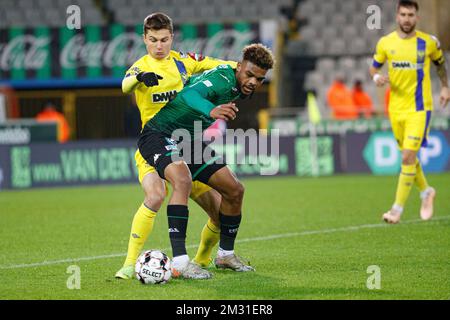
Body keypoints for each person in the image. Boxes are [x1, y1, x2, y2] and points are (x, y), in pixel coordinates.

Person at [115, 12, 238, 280]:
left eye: (163, 39)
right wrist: (140, 79)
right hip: (154, 145)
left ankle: (202, 262)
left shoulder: (184, 63)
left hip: (187, 143)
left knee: (219, 211)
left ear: (172, 38)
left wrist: (243, 68)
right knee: (156, 195)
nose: (158, 46)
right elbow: (125, 85)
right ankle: (128, 264)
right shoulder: (140, 67)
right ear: (144, 39)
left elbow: (219, 63)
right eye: (152, 40)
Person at [138, 43, 275, 279]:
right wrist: (211, 110)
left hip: (188, 140)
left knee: (234, 190)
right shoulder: (223, 78)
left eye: (259, 79)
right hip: (159, 135)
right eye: (249, 74)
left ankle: (225, 255)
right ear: (238, 67)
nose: (253, 82)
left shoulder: (238, 86)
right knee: (182, 180)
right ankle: (180, 262)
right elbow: (190, 94)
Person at [369, 0, 449, 224]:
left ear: (417, 17)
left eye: (411, 15)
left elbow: (440, 64)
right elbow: (373, 68)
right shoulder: (386, 43)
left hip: (419, 108)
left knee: (407, 156)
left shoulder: (428, 42)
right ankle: (426, 191)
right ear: (397, 16)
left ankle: (396, 209)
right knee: (409, 157)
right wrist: (377, 78)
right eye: (403, 14)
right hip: (395, 109)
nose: (407, 19)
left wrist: (444, 86)